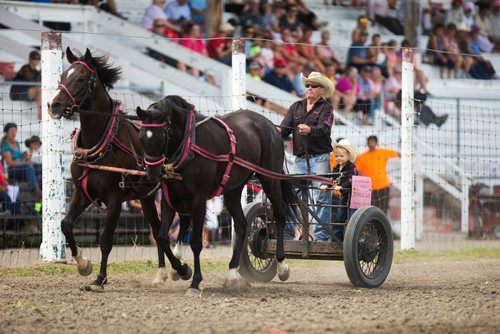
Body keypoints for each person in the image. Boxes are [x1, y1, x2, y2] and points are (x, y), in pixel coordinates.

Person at [279, 72, 335, 241]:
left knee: (322, 197)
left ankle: (321, 237)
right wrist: (274, 133)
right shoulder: (296, 106)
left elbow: (325, 128)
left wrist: (311, 130)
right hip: (300, 159)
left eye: (313, 86)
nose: (309, 88)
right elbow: (284, 130)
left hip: (320, 158)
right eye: (307, 86)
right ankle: (288, 235)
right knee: (291, 195)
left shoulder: (327, 108)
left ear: (322, 90)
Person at [320, 139, 358, 242]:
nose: (338, 158)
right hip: (345, 196)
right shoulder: (337, 168)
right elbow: (332, 178)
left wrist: (342, 186)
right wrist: (326, 185)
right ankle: (336, 239)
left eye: (341, 156)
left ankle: (352, 240)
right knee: (340, 216)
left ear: (348, 156)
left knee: (352, 217)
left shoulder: (351, 168)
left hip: (353, 197)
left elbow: (351, 179)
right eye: (336, 156)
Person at [355, 135, 399, 214]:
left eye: (373, 142)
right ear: (367, 143)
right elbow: (359, 172)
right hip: (369, 187)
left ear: (376, 143)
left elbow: (398, 154)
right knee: (371, 209)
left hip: (383, 185)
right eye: (369, 142)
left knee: (384, 209)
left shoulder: (383, 152)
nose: (371, 144)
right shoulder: (362, 157)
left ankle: (383, 225)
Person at [0, 123, 41, 199]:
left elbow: (17, 157)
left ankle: (42, 186)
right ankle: (34, 189)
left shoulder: (16, 143)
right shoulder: (5, 145)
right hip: (11, 171)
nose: (14, 133)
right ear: (7, 132)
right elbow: (10, 163)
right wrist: (24, 162)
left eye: (15, 131)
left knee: (40, 167)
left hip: (21, 168)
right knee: (28, 166)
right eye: (12, 131)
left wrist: (23, 155)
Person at [9, 50, 42, 119]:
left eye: (38, 59)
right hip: (17, 94)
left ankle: (42, 114)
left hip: (28, 93)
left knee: (42, 90)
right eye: (34, 58)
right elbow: (33, 81)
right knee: (39, 90)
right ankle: (40, 115)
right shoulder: (25, 68)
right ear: (30, 59)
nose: (37, 60)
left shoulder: (35, 71)